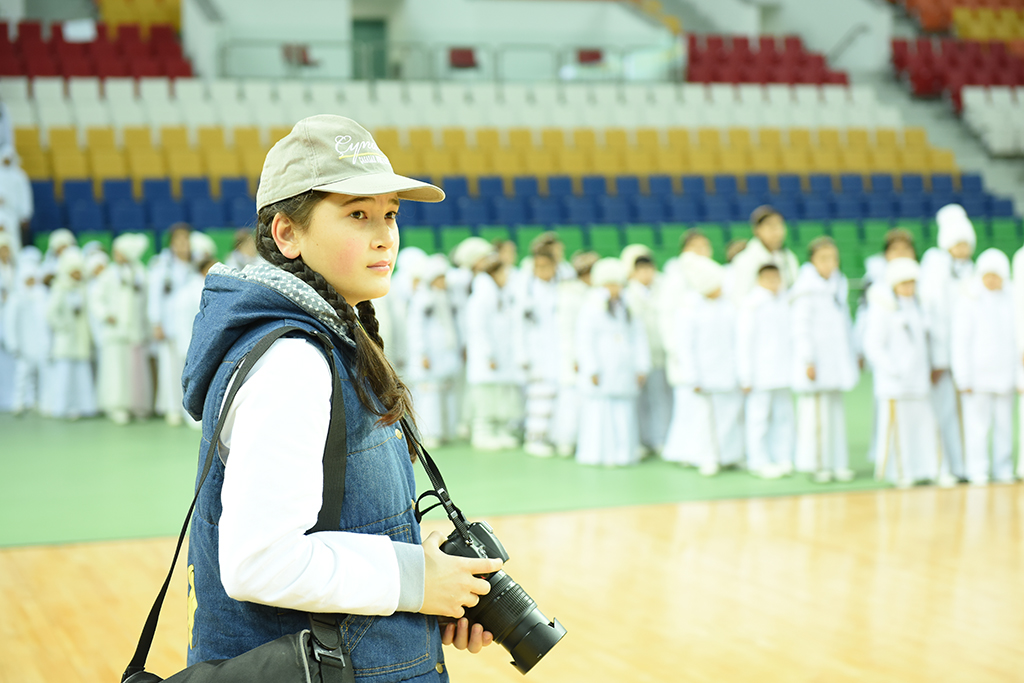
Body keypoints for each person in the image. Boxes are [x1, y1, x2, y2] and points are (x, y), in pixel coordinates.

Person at [180, 115, 502, 677]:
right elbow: (259, 563)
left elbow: (325, 529)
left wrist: (426, 569)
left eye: (390, 215)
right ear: (287, 233)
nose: (384, 235)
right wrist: (417, 578)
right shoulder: (293, 362)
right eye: (357, 214)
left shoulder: (328, 341)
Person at [862, 258, 945, 487]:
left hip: (919, 382)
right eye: (903, 284)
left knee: (924, 427)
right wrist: (894, 369)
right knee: (900, 431)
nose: (908, 288)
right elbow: (873, 346)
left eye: (912, 283)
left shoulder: (921, 307)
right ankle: (901, 472)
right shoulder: (883, 308)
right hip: (895, 385)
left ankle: (927, 469)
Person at [662, 255, 743, 475]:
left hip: (728, 373)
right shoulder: (690, 309)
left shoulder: (728, 306)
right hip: (704, 376)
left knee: (730, 416)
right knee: (705, 420)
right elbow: (685, 347)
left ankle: (730, 455)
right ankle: (707, 457)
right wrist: (692, 377)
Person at [790, 237, 859, 482]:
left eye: (833, 258)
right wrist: (808, 359)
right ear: (812, 261)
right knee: (817, 417)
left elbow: (845, 324)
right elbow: (801, 328)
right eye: (823, 259)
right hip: (816, 363)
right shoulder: (805, 289)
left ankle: (838, 462)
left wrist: (853, 352)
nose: (830, 264)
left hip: (836, 361)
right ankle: (818, 464)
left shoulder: (838, 286)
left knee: (836, 416)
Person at [951, 248, 1019, 485]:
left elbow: (1016, 339)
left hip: (1005, 377)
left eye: (996, 275)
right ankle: (977, 469)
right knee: (977, 427)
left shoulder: (1012, 300)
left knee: (1004, 426)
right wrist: (963, 377)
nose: (992, 280)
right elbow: (961, 340)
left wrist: (1017, 376)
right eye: (988, 274)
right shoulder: (969, 299)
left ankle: (1003, 468)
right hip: (977, 378)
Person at [574, 257, 650, 466]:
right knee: (600, 412)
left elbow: (639, 336)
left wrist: (642, 366)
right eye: (609, 284)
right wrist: (591, 368)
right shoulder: (591, 306)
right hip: (602, 366)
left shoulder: (628, 305)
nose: (614, 288)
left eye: (617, 283)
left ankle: (625, 453)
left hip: (625, 367)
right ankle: (599, 455)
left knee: (624, 412)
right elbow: (584, 340)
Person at [919, 204, 975, 481]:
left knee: (967, 414)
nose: (962, 249)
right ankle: (943, 467)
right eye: (958, 244)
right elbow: (931, 316)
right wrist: (939, 358)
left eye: (966, 244)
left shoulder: (972, 271)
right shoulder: (935, 266)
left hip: (967, 357)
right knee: (942, 412)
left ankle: (966, 465)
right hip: (943, 357)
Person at [736, 264, 794, 479]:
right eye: (768, 278)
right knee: (758, 418)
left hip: (784, 371)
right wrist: (746, 375)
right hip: (759, 373)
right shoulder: (752, 304)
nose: (773, 282)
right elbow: (744, 342)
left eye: (776, 278)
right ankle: (758, 460)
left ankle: (784, 457)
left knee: (784, 416)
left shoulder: (786, 301)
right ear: (759, 279)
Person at [92, 233, 152, 425]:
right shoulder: (109, 273)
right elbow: (96, 298)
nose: (116, 255)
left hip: (135, 331)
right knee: (116, 371)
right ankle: (116, 406)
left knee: (135, 371)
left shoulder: (140, 272)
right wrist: (105, 314)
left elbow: (145, 300)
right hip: (115, 331)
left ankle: (138, 405)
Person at [465, 251, 522, 450]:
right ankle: (482, 433)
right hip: (487, 360)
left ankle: (500, 431)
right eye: (503, 272)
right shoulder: (481, 297)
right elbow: (478, 329)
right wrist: (488, 354)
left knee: (501, 398)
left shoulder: (502, 296)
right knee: (485, 399)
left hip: (502, 359)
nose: (506, 277)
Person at [406, 254, 462, 448]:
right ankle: (430, 433)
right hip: (430, 355)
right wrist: (422, 353)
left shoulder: (446, 298)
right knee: (430, 394)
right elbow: (416, 329)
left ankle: (447, 429)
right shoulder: (423, 299)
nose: (443, 282)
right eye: (439, 278)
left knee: (447, 391)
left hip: (446, 352)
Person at [623, 246, 671, 455]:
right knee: (639, 402)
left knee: (660, 398)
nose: (646, 274)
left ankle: (660, 439)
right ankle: (641, 440)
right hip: (636, 359)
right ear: (634, 272)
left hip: (659, 354)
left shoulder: (664, 289)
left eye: (649, 269)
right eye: (641, 270)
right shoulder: (627, 294)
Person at [514, 244, 561, 457]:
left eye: (547, 266)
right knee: (538, 398)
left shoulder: (560, 288)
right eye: (538, 266)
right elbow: (518, 326)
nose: (543, 270)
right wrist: (522, 353)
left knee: (555, 397)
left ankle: (553, 436)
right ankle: (535, 438)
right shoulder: (526, 291)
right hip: (536, 354)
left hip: (557, 351)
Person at [551, 250, 599, 457]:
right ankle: (565, 440)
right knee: (570, 401)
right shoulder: (569, 295)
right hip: (571, 357)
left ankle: (581, 440)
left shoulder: (592, 293)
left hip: (587, 357)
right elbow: (567, 330)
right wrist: (574, 357)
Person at [148, 222, 194, 425]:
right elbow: (154, 296)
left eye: (186, 240)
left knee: (187, 369)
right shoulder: (163, 266)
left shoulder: (194, 264)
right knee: (170, 369)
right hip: (169, 326)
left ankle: (188, 409)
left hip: (190, 324)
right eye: (179, 240)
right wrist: (156, 322)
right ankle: (172, 408)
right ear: (172, 243)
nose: (183, 244)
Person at [46, 248, 97, 420]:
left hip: (81, 339)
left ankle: (84, 407)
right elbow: (51, 314)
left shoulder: (83, 288)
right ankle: (62, 407)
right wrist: (65, 327)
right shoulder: (60, 287)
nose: (77, 274)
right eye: (74, 271)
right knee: (65, 375)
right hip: (66, 339)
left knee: (82, 375)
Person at [4, 255, 49, 415]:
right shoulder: (16, 298)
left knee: (43, 375)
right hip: (24, 344)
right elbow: (10, 323)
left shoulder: (41, 295)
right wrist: (13, 343)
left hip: (41, 342)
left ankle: (42, 402)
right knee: (22, 375)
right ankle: (19, 403)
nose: (30, 282)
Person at [730, 205, 800, 304]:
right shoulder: (744, 260)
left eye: (779, 225)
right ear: (757, 230)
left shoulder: (789, 258)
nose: (776, 231)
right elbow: (739, 300)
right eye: (770, 226)